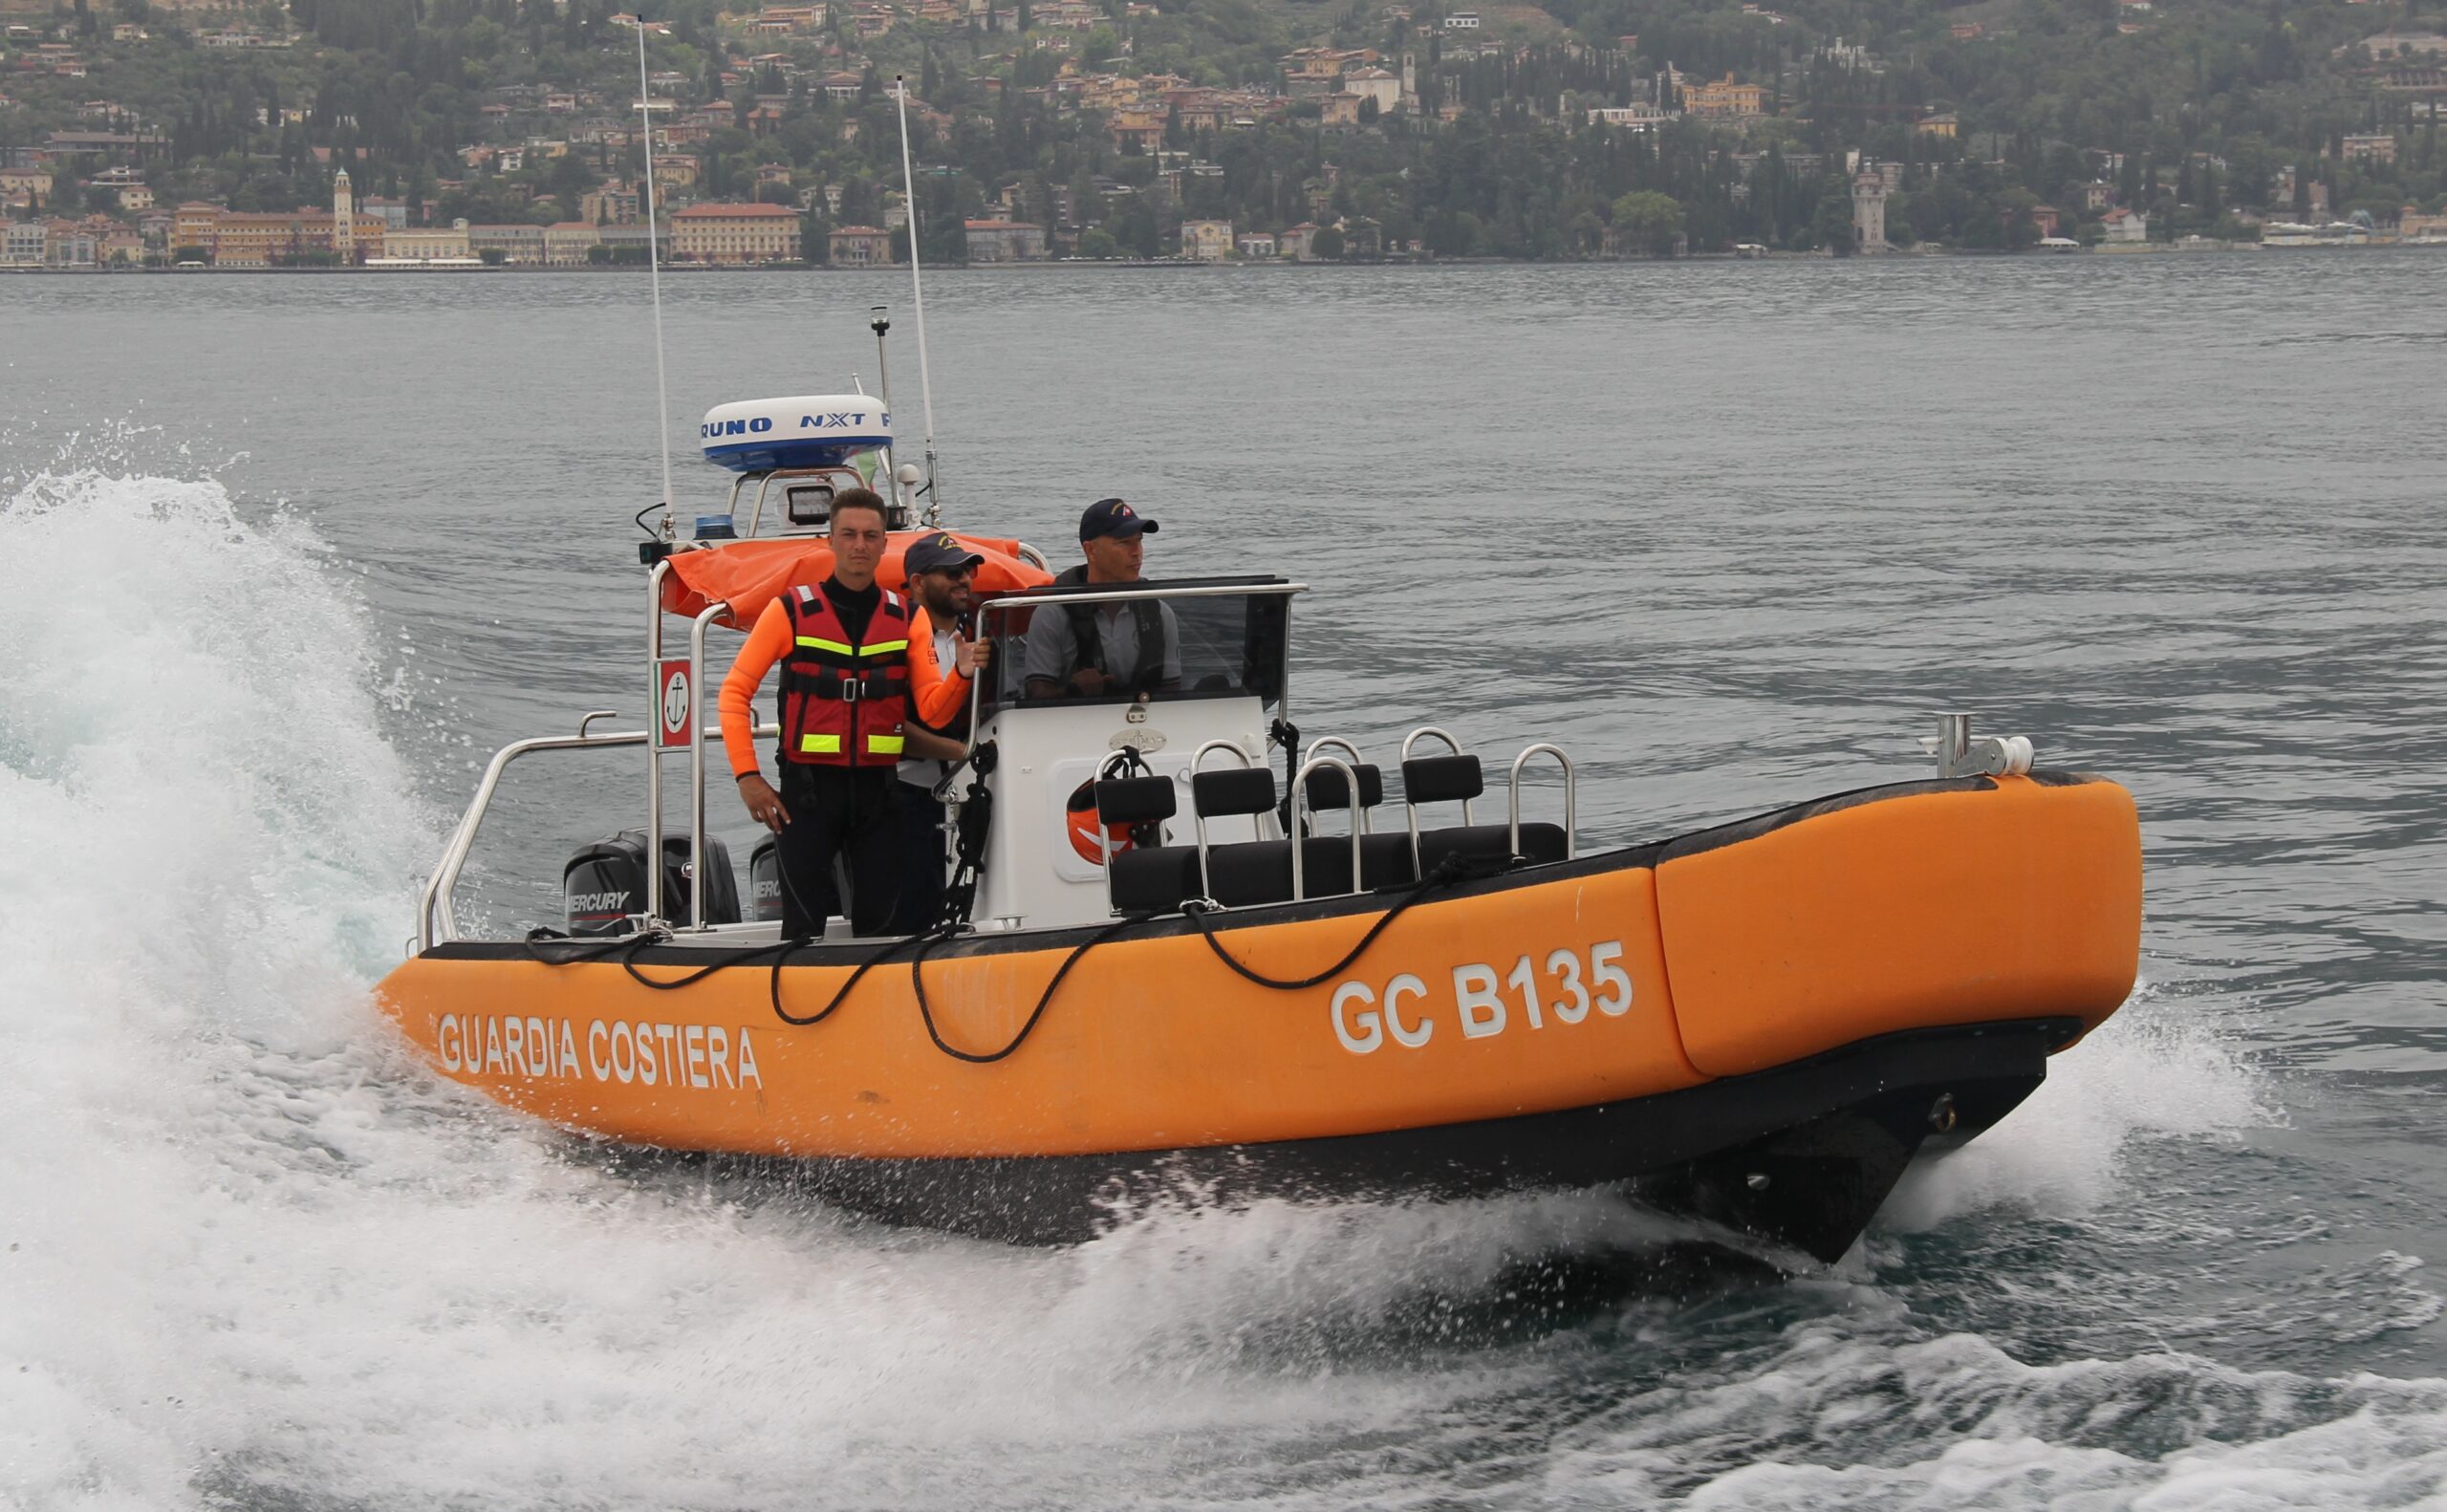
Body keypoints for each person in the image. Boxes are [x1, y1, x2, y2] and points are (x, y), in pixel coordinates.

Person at [719, 489, 981, 939]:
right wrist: (749, 778)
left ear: (884, 545)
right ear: (831, 541)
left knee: (881, 930)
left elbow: (934, 714)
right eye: (849, 534)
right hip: (806, 795)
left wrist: (960, 673)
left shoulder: (907, 617)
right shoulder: (791, 611)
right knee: (802, 929)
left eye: (871, 535)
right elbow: (734, 693)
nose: (860, 544)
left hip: (880, 795)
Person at [888, 531, 992, 933]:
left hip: (971, 793)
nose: (964, 579)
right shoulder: (894, 639)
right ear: (917, 582)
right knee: (914, 909)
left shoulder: (979, 632)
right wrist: (964, 750)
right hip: (909, 795)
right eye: (951, 572)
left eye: (967, 570)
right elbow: (894, 726)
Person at [1022, 497, 1181, 701]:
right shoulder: (1052, 614)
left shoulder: (1160, 613)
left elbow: (1173, 690)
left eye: (1139, 540)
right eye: (1124, 542)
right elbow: (1036, 695)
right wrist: (1073, 689)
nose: (1137, 552)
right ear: (1091, 550)